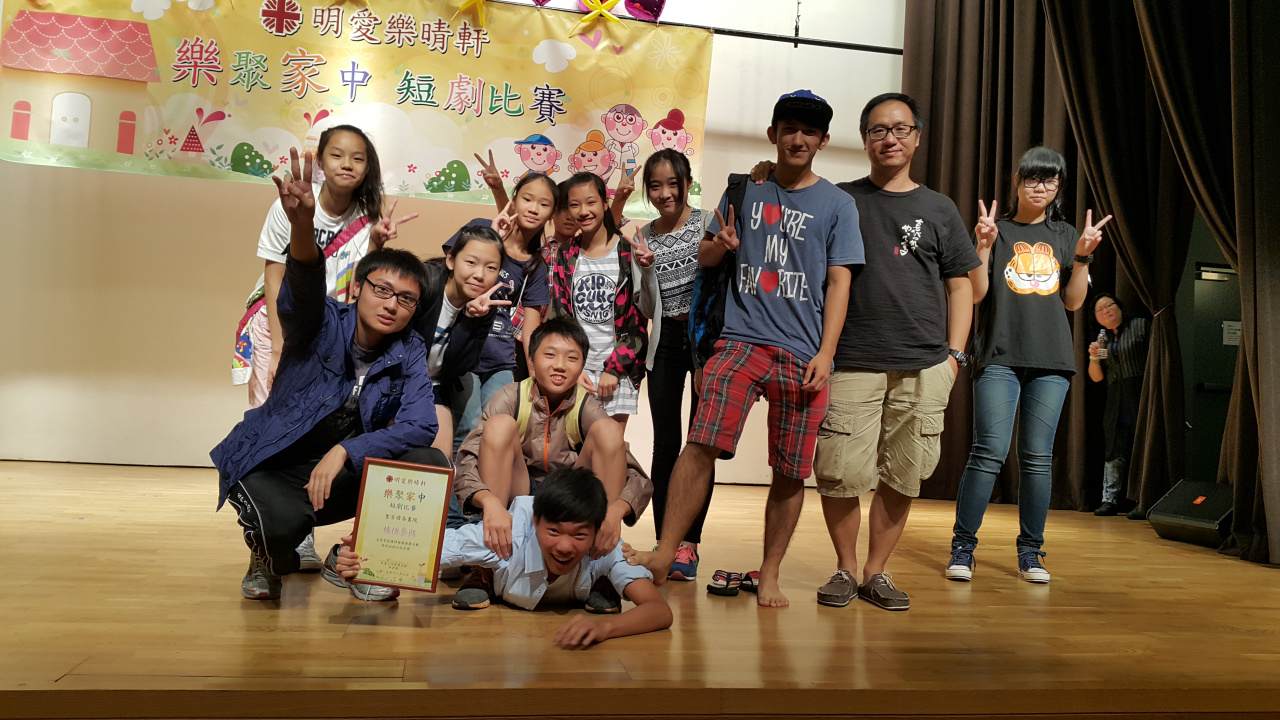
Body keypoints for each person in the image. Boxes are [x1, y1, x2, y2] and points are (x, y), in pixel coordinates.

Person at [629, 90, 863, 608]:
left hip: (803, 351)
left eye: (809, 131)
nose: (798, 139)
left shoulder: (838, 205)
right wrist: (720, 244)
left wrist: (827, 353)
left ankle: (770, 572)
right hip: (739, 340)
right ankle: (667, 551)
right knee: (701, 441)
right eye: (789, 128)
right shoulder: (745, 188)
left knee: (790, 468)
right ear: (773, 134)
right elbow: (706, 256)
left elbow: (840, 282)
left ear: (823, 140)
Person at [749, 93, 979, 610]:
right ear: (863, 139)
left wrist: (954, 357)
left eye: (900, 129)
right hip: (852, 358)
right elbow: (786, 200)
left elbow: (961, 286)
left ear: (916, 137)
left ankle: (877, 571)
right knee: (840, 473)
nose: (889, 139)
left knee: (904, 473)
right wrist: (763, 173)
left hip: (925, 363)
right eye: (878, 130)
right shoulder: (841, 200)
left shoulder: (939, 208)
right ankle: (846, 569)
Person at [212, 148, 446, 603]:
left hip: (339, 470)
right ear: (357, 287)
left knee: (428, 461)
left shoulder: (409, 348)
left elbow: (421, 425)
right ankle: (266, 556)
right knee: (280, 533)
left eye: (405, 299)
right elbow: (301, 288)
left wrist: (345, 450)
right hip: (277, 463)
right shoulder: (319, 323)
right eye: (382, 290)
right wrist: (302, 225)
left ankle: (358, 561)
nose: (391, 304)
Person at [945, 146, 1112, 585]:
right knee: (988, 453)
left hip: (1051, 361)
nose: (1041, 187)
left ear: (1058, 188)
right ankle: (963, 547)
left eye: (1050, 180)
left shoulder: (1065, 234)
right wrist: (982, 246)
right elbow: (976, 294)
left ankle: (1031, 553)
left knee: (1037, 459)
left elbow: (1073, 302)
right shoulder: (996, 231)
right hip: (998, 356)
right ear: (1017, 181)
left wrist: (1083, 256)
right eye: (1033, 178)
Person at [334, 467, 671, 647]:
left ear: (596, 531)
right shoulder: (507, 537)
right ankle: (483, 577)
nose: (566, 546)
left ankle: (617, 579)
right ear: (536, 522)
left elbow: (659, 611)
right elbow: (428, 548)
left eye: (580, 535)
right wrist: (362, 558)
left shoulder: (606, 547)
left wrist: (605, 628)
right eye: (554, 531)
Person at [449, 316, 654, 609]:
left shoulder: (587, 405)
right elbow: (469, 458)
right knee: (498, 426)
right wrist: (488, 502)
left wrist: (614, 512)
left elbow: (634, 473)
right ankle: (487, 567)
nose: (560, 365)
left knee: (610, 431)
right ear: (531, 361)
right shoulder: (510, 397)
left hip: (567, 495)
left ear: (582, 366)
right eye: (550, 355)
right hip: (517, 495)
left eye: (571, 358)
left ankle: (601, 569)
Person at [637, 149, 717, 581]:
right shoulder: (644, 236)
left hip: (705, 342)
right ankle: (664, 542)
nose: (665, 193)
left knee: (700, 445)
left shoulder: (708, 223)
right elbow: (647, 307)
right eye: (655, 185)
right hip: (664, 340)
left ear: (687, 182)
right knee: (665, 445)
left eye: (673, 183)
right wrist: (645, 269)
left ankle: (690, 544)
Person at [445, 168, 559, 451]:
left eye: (544, 204)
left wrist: (536, 377)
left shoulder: (536, 264)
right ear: (514, 199)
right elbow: (449, 276)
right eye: (527, 199)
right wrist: (494, 236)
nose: (533, 208)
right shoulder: (482, 228)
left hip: (501, 360)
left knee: (497, 431)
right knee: (466, 428)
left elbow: (531, 329)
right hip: (464, 351)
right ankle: (457, 483)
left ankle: (484, 481)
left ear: (551, 214)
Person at [548, 172, 658, 428]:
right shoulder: (566, 253)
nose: (583, 211)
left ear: (605, 204)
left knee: (610, 446)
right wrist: (573, 368)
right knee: (571, 447)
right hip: (577, 371)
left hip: (618, 373)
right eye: (574, 205)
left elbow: (637, 321)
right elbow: (561, 315)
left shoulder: (627, 251)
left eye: (591, 202)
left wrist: (614, 368)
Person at [412, 225, 510, 459]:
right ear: (451, 260)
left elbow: (460, 366)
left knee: (440, 456)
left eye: (491, 268)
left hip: (435, 385)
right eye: (471, 263)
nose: (480, 275)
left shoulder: (486, 306)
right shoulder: (425, 284)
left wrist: (469, 320)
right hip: (402, 380)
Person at [1088, 292, 1151, 518]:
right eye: (1101, 309)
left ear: (1120, 307)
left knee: (1142, 446)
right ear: (1096, 317)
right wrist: (1094, 357)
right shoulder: (1103, 338)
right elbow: (1096, 377)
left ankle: (1143, 501)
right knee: (1114, 448)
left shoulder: (1141, 326)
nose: (1106, 310)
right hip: (1116, 398)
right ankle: (1109, 500)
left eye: (1110, 305)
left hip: (1140, 392)